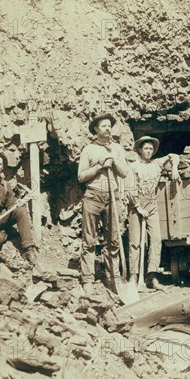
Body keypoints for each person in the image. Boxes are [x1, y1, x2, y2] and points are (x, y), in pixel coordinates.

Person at [78, 113, 129, 295]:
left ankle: (113, 278)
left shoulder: (116, 149)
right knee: (89, 240)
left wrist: (113, 161)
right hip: (92, 196)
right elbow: (81, 176)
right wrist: (99, 167)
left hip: (112, 197)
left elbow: (124, 173)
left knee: (113, 241)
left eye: (110, 126)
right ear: (96, 130)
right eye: (104, 126)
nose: (108, 129)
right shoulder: (88, 150)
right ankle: (88, 279)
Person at [126, 136, 180, 290]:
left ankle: (151, 276)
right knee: (135, 242)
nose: (149, 151)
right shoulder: (133, 166)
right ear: (140, 150)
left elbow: (173, 156)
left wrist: (175, 167)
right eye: (146, 148)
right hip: (135, 206)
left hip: (152, 206)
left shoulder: (156, 164)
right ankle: (133, 277)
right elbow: (129, 190)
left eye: (151, 149)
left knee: (156, 239)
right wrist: (138, 207)